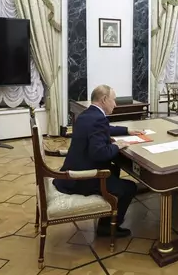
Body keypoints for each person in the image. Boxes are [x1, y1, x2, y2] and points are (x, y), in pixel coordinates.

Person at [53, 85, 142, 238]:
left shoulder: (87, 114)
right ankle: (107, 227)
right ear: (104, 99)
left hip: (73, 169)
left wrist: (127, 131)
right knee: (129, 187)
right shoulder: (98, 120)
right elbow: (99, 153)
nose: (115, 104)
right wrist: (116, 145)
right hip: (82, 178)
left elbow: (106, 128)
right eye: (113, 100)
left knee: (114, 169)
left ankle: (109, 215)